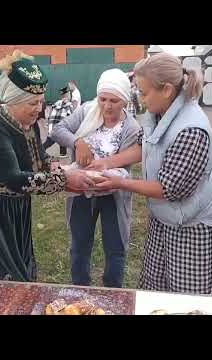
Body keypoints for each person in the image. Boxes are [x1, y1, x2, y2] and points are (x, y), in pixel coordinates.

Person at [88, 53, 212, 294]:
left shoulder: (191, 130)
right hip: (166, 218)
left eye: (144, 93)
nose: (141, 100)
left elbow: (168, 189)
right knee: (156, 289)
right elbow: (145, 145)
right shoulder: (159, 113)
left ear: (166, 90)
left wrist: (120, 182)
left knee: (187, 298)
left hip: (192, 225)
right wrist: (106, 162)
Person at [0, 50, 96, 282]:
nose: (39, 108)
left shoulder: (30, 124)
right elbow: (15, 178)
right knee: (0, 270)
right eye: (32, 103)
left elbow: (37, 157)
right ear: (12, 102)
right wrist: (65, 180)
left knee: (21, 260)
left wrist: (59, 168)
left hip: (17, 205)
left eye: (41, 102)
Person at [51, 69, 141, 288]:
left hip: (113, 194)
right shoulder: (86, 111)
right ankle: (80, 289)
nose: (107, 106)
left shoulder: (131, 127)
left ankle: (113, 291)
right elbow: (58, 130)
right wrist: (78, 142)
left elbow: (134, 156)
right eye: (103, 99)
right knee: (80, 243)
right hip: (81, 190)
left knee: (115, 246)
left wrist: (107, 168)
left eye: (114, 100)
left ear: (125, 101)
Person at [42, 86, 74, 157]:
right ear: (68, 95)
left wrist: (48, 123)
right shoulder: (69, 105)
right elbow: (70, 116)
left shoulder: (56, 103)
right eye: (69, 94)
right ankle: (41, 150)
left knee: (55, 139)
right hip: (60, 126)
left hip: (53, 125)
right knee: (54, 140)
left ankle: (63, 153)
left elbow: (51, 113)